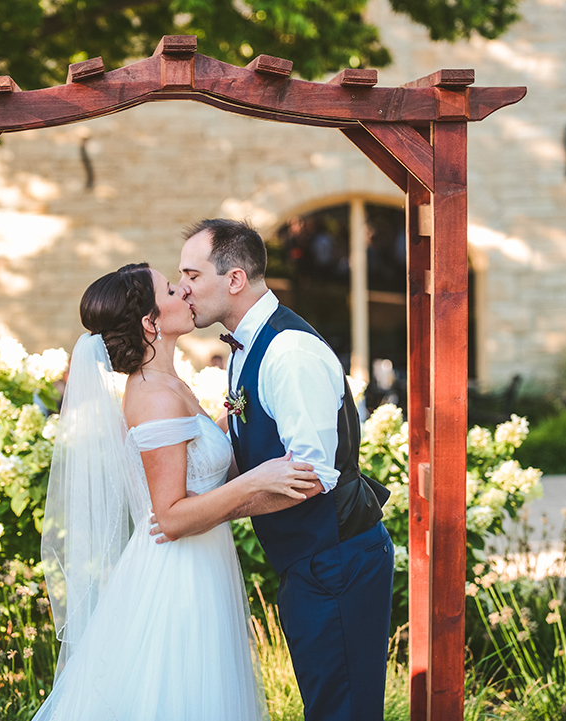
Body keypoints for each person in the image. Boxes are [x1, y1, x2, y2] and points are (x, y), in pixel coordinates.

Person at [35, 262, 320, 720]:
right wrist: (256, 480)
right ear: (151, 322)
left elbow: (199, 463)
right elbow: (169, 516)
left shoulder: (168, 384)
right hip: (179, 575)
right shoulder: (154, 396)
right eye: (171, 288)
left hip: (204, 560)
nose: (184, 291)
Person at [173, 218, 395, 721]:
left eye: (191, 274)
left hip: (335, 559)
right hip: (309, 561)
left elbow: (311, 475)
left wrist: (200, 514)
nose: (183, 287)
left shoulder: (288, 352)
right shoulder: (244, 347)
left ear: (234, 280)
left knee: (344, 712)